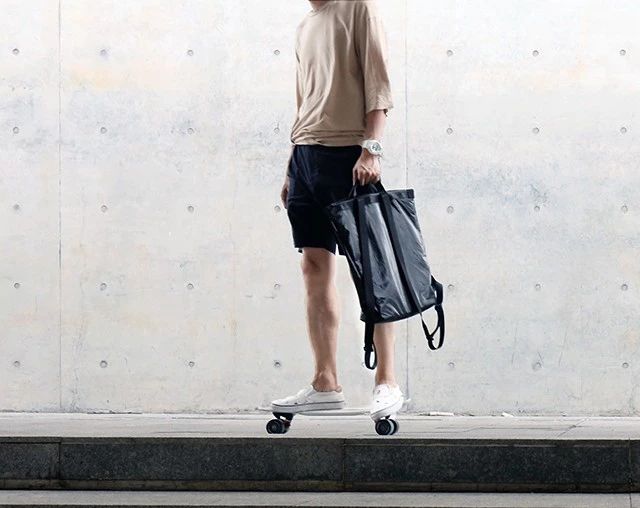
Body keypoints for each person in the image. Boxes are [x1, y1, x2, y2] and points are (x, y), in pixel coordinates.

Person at [272, 0, 404, 422]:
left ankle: (387, 380)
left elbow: (378, 85)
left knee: (372, 270)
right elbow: (304, 102)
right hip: (305, 157)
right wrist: (291, 166)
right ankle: (325, 382)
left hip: (349, 154)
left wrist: (372, 150)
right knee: (313, 266)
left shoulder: (358, 8)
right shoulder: (305, 25)